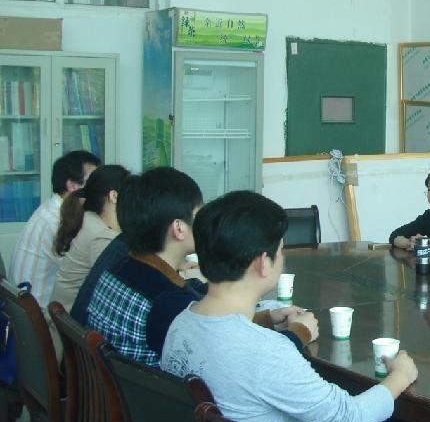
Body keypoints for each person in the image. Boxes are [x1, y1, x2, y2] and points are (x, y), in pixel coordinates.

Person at [161, 190, 430, 422]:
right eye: (280, 250)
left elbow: (264, 419)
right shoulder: (264, 350)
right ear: (262, 263)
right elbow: (349, 418)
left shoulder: (181, 324)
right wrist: (400, 376)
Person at [85, 167, 316, 367]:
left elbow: (218, 332)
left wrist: (264, 319)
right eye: (199, 214)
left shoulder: (121, 266)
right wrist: (298, 334)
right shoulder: (169, 304)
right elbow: (236, 362)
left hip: (123, 394)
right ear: (179, 228)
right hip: (167, 402)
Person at [9, 150, 100, 306]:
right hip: (41, 314)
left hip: (28, 308)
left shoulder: (52, 209)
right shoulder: (56, 222)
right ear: (72, 185)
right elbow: (83, 273)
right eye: (93, 182)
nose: (98, 188)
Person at [51, 164, 131, 310]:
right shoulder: (102, 237)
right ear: (114, 196)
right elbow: (122, 288)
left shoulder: (89, 218)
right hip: (72, 320)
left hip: (64, 317)